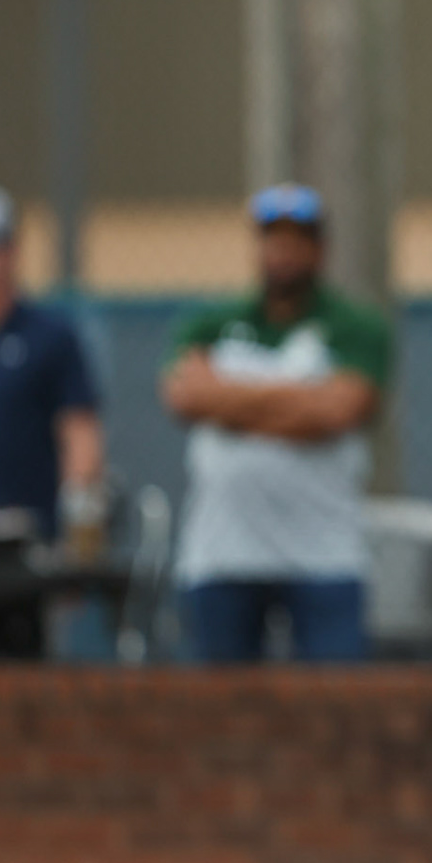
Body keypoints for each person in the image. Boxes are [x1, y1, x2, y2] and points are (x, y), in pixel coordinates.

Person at [162, 184, 392, 663]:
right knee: (222, 699)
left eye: (298, 240)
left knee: (336, 697)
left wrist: (229, 406)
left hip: (324, 553)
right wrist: (300, 398)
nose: (284, 252)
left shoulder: (355, 328)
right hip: (223, 554)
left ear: (320, 249)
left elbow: (338, 412)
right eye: (274, 239)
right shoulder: (211, 324)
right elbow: (185, 396)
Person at [0, 183, 107, 655]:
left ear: (10, 252)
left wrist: (77, 546)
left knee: (24, 664)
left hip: (26, 543)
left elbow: (81, 440)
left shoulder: (49, 338)